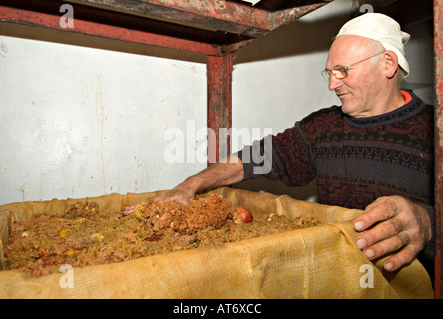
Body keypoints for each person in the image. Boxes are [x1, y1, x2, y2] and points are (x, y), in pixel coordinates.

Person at [124, 13, 435, 279]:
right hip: (338, 281)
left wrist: (427, 222)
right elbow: (258, 158)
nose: (331, 84)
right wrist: (191, 184)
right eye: (330, 72)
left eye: (343, 71)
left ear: (388, 64)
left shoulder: (434, 132)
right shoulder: (322, 128)